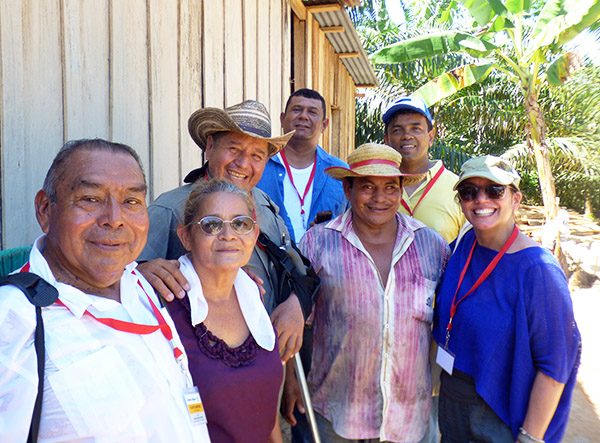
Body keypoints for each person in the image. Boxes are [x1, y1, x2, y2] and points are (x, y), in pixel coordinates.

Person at [0, 139, 210, 441]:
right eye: (91, 198)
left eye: (132, 202)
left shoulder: (140, 286)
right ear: (46, 210)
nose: (114, 219)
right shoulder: (15, 320)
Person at [283, 143, 450, 442]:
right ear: (347, 189)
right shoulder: (317, 243)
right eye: (367, 186)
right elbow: (299, 319)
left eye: (390, 187)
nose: (379, 198)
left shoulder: (432, 246)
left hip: (409, 415)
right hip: (336, 410)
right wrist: (291, 379)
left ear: (401, 191)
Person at [137, 100, 309, 362]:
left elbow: (295, 267)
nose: (242, 163)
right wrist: (139, 271)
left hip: (267, 363)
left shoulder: (264, 204)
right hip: (202, 367)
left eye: (256, 156)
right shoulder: (171, 210)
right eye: (233, 148)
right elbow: (122, 278)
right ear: (209, 146)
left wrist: (297, 305)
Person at [432, 156, 581, 443]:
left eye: (494, 190)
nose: (481, 199)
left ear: (515, 199)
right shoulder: (465, 245)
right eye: (469, 192)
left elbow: (555, 364)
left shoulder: (538, 270)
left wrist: (530, 437)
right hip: (453, 401)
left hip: (498, 418)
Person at [166, 178, 284, 442]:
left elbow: (265, 410)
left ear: (253, 235)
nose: (228, 235)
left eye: (240, 224)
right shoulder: (165, 307)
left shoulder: (253, 294)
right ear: (186, 236)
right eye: (211, 225)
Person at [257, 88, 348, 242]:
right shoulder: (258, 165)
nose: (303, 116)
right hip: (267, 262)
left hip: (323, 263)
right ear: (282, 119)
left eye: (312, 112)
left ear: (324, 124)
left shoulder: (340, 173)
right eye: (297, 110)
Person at [383, 96, 465, 243]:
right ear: (387, 140)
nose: (407, 136)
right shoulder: (374, 189)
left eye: (416, 128)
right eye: (397, 130)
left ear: (431, 137)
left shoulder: (458, 188)